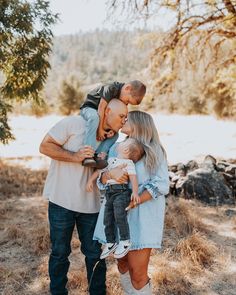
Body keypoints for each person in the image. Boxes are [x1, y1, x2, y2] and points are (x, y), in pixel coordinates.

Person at [39, 99, 128, 295]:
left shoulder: (114, 141)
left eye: (126, 117)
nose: (124, 120)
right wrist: (75, 156)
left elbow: (110, 170)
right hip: (61, 201)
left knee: (96, 255)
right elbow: (44, 147)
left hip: (93, 206)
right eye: (121, 116)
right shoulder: (73, 123)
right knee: (60, 254)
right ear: (107, 111)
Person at [93, 111, 169, 295]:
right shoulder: (116, 147)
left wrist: (135, 201)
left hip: (142, 216)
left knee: (138, 274)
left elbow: (161, 184)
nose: (124, 120)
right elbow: (103, 180)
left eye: (128, 118)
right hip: (118, 214)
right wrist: (107, 176)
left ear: (140, 124)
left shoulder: (155, 150)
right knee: (122, 263)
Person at [86, 138, 144, 260]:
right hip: (109, 192)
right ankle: (110, 242)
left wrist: (134, 192)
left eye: (123, 143)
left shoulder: (128, 163)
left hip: (121, 192)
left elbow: (133, 178)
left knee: (119, 216)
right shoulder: (111, 160)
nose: (120, 143)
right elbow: (101, 170)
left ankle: (125, 240)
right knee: (107, 218)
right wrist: (91, 180)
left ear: (126, 149)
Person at [80, 80, 146, 168]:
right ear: (127, 88)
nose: (126, 103)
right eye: (128, 101)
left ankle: (99, 156)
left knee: (115, 135)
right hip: (90, 108)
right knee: (94, 118)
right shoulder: (111, 88)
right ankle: (87, 154)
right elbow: (101, 107)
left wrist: (111, 130)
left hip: (101, 115)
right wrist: (100, 130)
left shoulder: (122, 96)